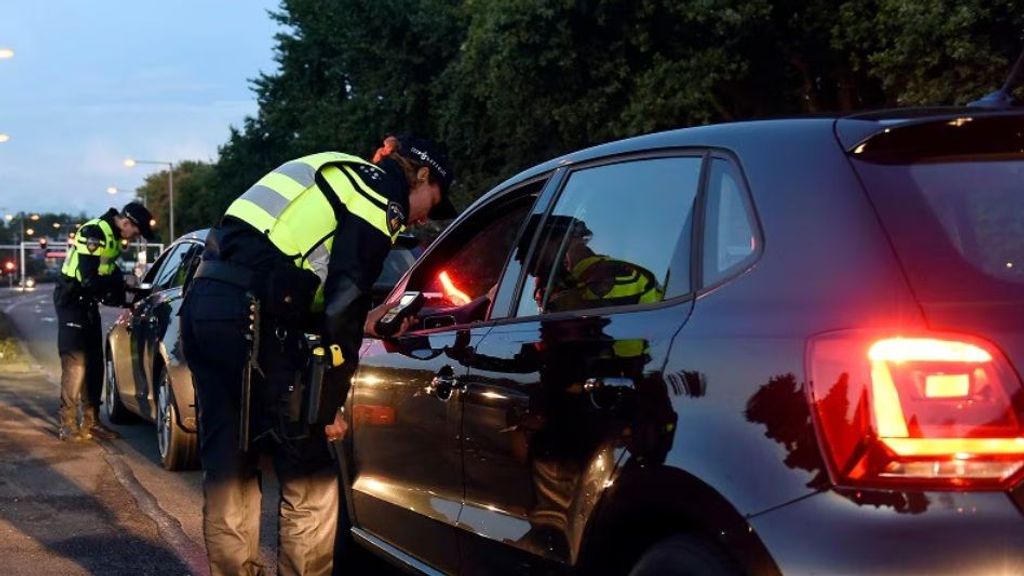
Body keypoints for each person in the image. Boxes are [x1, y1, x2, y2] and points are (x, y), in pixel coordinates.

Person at [180, 136, 456, 576]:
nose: (422, 218)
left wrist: (363, 319)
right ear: (420, 177)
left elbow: (284, 269)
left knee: (230, 463)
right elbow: (343, 297)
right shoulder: (379, 192)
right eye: (431, 202)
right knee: (310, 469)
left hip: (205, 309)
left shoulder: (327, 166)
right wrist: (328, 403)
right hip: (253, 322)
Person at [54, 201, 155, 441]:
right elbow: (90, 279)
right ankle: (67, 424)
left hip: (87, 303)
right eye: (137, 231)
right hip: (71, 300)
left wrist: (128, 296)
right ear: (126, 222)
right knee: (76, 361)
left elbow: (109, 272)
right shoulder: (94, 232)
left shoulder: (113, 238)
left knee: (95, 362)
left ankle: (92, 421)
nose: (136, 236)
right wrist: (118, 291)